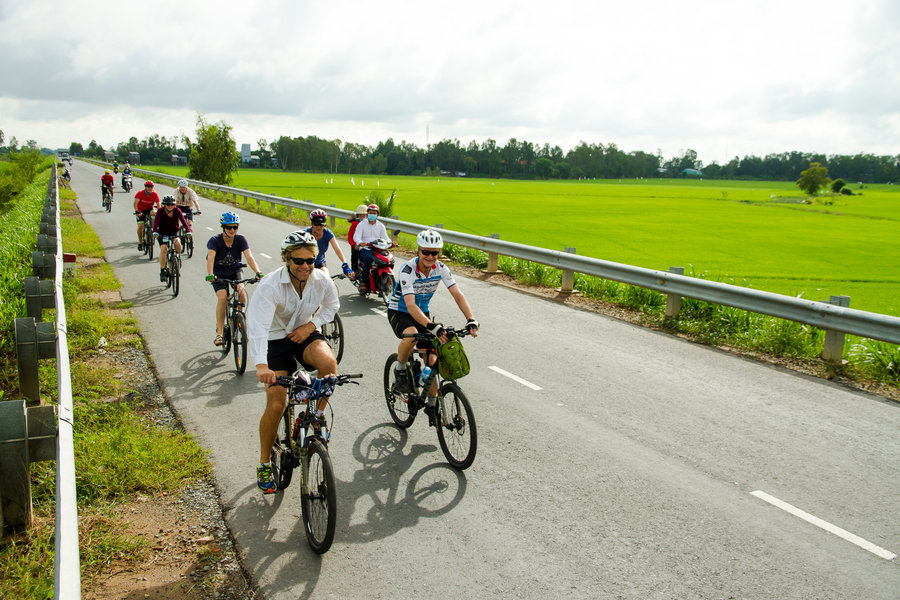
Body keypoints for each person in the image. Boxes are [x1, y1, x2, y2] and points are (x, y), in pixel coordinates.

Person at [246, 231, 340, 494]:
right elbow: (258, 327)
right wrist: (261, 365)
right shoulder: (270, 285)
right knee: (276, 404)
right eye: (298, 261)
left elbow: (332, 305)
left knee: (329, 366)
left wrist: (311, 325)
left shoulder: (320, 278)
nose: (305, 266)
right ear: (286, 259)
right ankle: (264, 462)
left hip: (303, 332)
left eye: (310, 260)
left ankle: (317, 416)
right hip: (274, 340)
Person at [387, 229, 479, 423]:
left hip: (423, 314)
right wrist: (432, 326)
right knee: (412, 336)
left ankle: (431, 404)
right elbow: (410, 305)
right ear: (418, 251)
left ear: (439, 253)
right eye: (425, 252)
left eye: (434, 253)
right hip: (400, 311)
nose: (430, 257)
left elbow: (457, 294)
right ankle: (401, 368)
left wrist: (470, 318)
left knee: (433, 359)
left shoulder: (441, 268)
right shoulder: (407, 270)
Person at [205, 212, 263, 346]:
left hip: (235, 271)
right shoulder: (215, 240)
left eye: (235, 227)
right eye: (229, 227)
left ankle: (239, 318)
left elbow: (249, 257)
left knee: (241, 293)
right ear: (223, 227)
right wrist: (210, 274)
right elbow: (210, 257)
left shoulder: (241, 239)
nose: (232, 230)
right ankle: (219, 334)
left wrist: (258, 272)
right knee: (222, 297)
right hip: (218, 273)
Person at [352, 203, 389, 292]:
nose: (372, 215)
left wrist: (392, 243)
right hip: (365, 249)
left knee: (388, 259)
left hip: (378, 248)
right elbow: (356, 237)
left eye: (374, 213)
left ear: (377, 215)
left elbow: (385, 238)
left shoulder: (380, 225)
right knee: (369, 259)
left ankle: (383, 279)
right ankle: (363, 282)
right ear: (367, 213)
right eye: (370, 213)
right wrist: (361, 242)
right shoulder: (361, 224)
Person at [304, 209, 352, 277]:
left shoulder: (327, 233)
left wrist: (345, 263)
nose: (319, 227)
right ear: (312, 224)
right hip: (306, 262)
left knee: (326, 279)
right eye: (316, 224)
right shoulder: (305, 233)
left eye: (321, 225)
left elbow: (337, 249)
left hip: (319, 263)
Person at [133, 181, 160, 251]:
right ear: (145, 187)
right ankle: (140, 242)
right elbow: (135, 203)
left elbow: (158, 204)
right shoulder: (140, 193)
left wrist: (159, 212)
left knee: (154, 214)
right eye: (148, 187)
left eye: (151, 187)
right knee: (140, 226)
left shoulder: (154, 194)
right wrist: (137, 211)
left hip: (149, 209)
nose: (150, 188)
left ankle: (153, 230)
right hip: (140, 211)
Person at [346, 203, 367, 276]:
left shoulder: (370, 225)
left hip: (367, 245)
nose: (362, 217)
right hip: (356, 245)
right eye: (360, 215)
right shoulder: (354, 224)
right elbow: (350, 236)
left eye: (364, 215)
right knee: (355, 253)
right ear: (357, 216)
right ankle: (354, 271)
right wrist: (354, 245)